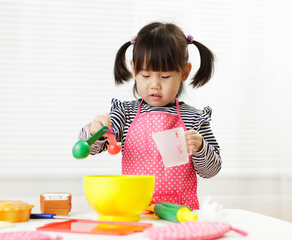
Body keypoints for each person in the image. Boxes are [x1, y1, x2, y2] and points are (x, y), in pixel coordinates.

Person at [79, 22, 221, 210]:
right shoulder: (125, 114)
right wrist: (94, 130)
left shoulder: (194, 118)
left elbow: (211, 170)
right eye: (145, 75)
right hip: (135, 210)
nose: (154, 85)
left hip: (179, 213)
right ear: (134, 69)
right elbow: (91, 147)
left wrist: (200, 146)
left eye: (165, 77)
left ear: (184, 72)